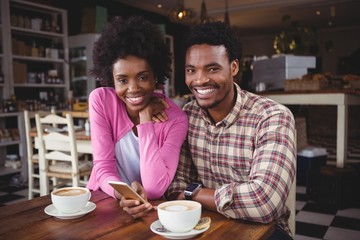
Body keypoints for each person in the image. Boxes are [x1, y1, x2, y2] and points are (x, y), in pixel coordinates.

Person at [165, 21, 296, 239]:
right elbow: (174, 185)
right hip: (204, 224)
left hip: (265, 231)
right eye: (191, 70)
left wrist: (193, 193)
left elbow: (264, 203)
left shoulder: (272, 117)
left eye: (213, 68)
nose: (200, 80)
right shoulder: (187, 115)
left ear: (233, 67)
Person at [86, 16, 188, 216]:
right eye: (122, 80)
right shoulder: (101, 101)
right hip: (105, 201)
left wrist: (145, 118)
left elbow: (154, 187)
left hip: (150, 209)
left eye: (143, 77)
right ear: (111, 79)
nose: (133, 89)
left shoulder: (176, 119)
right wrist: (122, 194)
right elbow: (103, 166)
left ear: (156, 76)